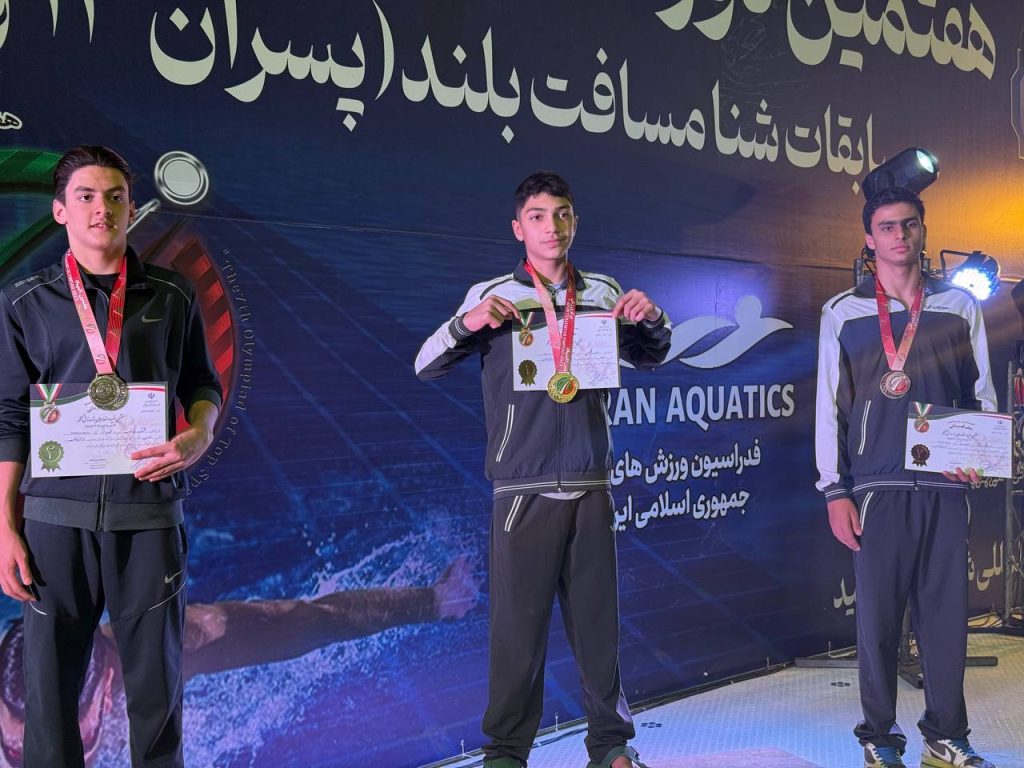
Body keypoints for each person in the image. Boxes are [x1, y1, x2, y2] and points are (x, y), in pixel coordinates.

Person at [415, 171, 671, 768]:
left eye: (561, 214)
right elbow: (426, 363)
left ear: (574, 221)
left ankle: (611, 746)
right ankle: (506, 753)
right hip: (521, 489)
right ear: (517, 228)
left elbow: (652, 356)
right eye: (537, 216)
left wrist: (653, 318)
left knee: (599, 630)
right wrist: (469, 322)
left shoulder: (603, 292)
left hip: (590, 486)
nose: (551, 226)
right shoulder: (493, 294)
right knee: (517, 635)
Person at [0, 145, 222, 767]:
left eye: (116, 196)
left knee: (156, 697)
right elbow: (9, 419)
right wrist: (6, 526)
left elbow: (202, 384)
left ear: (130, 206)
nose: (103, 208)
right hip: (54, 526)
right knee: (49, 702)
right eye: (87, 196)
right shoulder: (25, 303)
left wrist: (199, 434)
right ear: (60, 211)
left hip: (147, 520)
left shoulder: (172, 295)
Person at [815, 186, 997, 768]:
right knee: (877, 621)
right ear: (869, 240)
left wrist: (980, 453)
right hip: (876, 488)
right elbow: (830, 408)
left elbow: (980, 393)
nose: (900, 235)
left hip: (944, 484)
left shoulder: (959, 307)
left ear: (923, 230)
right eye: (888, 227)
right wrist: (834, 490)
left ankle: (946, 736)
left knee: (945, 619)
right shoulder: (843, 312)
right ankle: (878, 737)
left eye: (909, 224)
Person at [0, 554, 479, 767]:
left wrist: (434, 602)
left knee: (276, 626)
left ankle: (440, 600)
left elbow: (302, 622)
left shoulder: (160, 647)